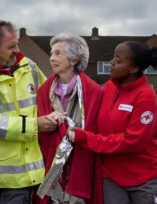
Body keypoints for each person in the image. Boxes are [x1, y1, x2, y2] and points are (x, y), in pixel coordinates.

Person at [0, 20, 58, 204]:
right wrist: (35, 124)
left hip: (23, 176)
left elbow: (50, 98)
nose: (17, 50)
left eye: (17, 44)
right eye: (11, 46)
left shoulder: (29, 67)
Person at [67, 41, 157, 204]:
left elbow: (133, 142)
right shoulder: (109, 88)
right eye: (113, 57)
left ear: (133, 69)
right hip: (111, 178)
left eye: (118, 61)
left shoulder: (146, 96)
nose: (111, 62)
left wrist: (85, 138)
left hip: (144, 180)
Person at [34, 33, 103, 204]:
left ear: (74, 60)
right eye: (51, 53)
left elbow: (96, 132)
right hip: (50, 167)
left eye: (58, 53)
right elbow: (37, 130)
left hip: (80, 167)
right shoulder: (43, 91)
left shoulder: (94, 92)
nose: (51, 58)